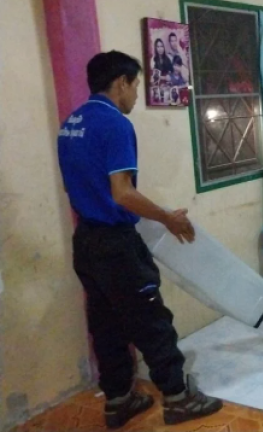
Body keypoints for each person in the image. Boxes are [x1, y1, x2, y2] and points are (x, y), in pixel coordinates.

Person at [57, 51, 222, 429]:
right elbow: (122, 193)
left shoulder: (71, 123)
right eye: (135, 86)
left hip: (86, 242)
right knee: (151, 321)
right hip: (116, 245)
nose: (134, 95)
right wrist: (168, 218)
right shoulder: (115, 124)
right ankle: (179, 399)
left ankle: (118, 400)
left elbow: (73, 186)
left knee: (106, 325)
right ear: (121, 83)